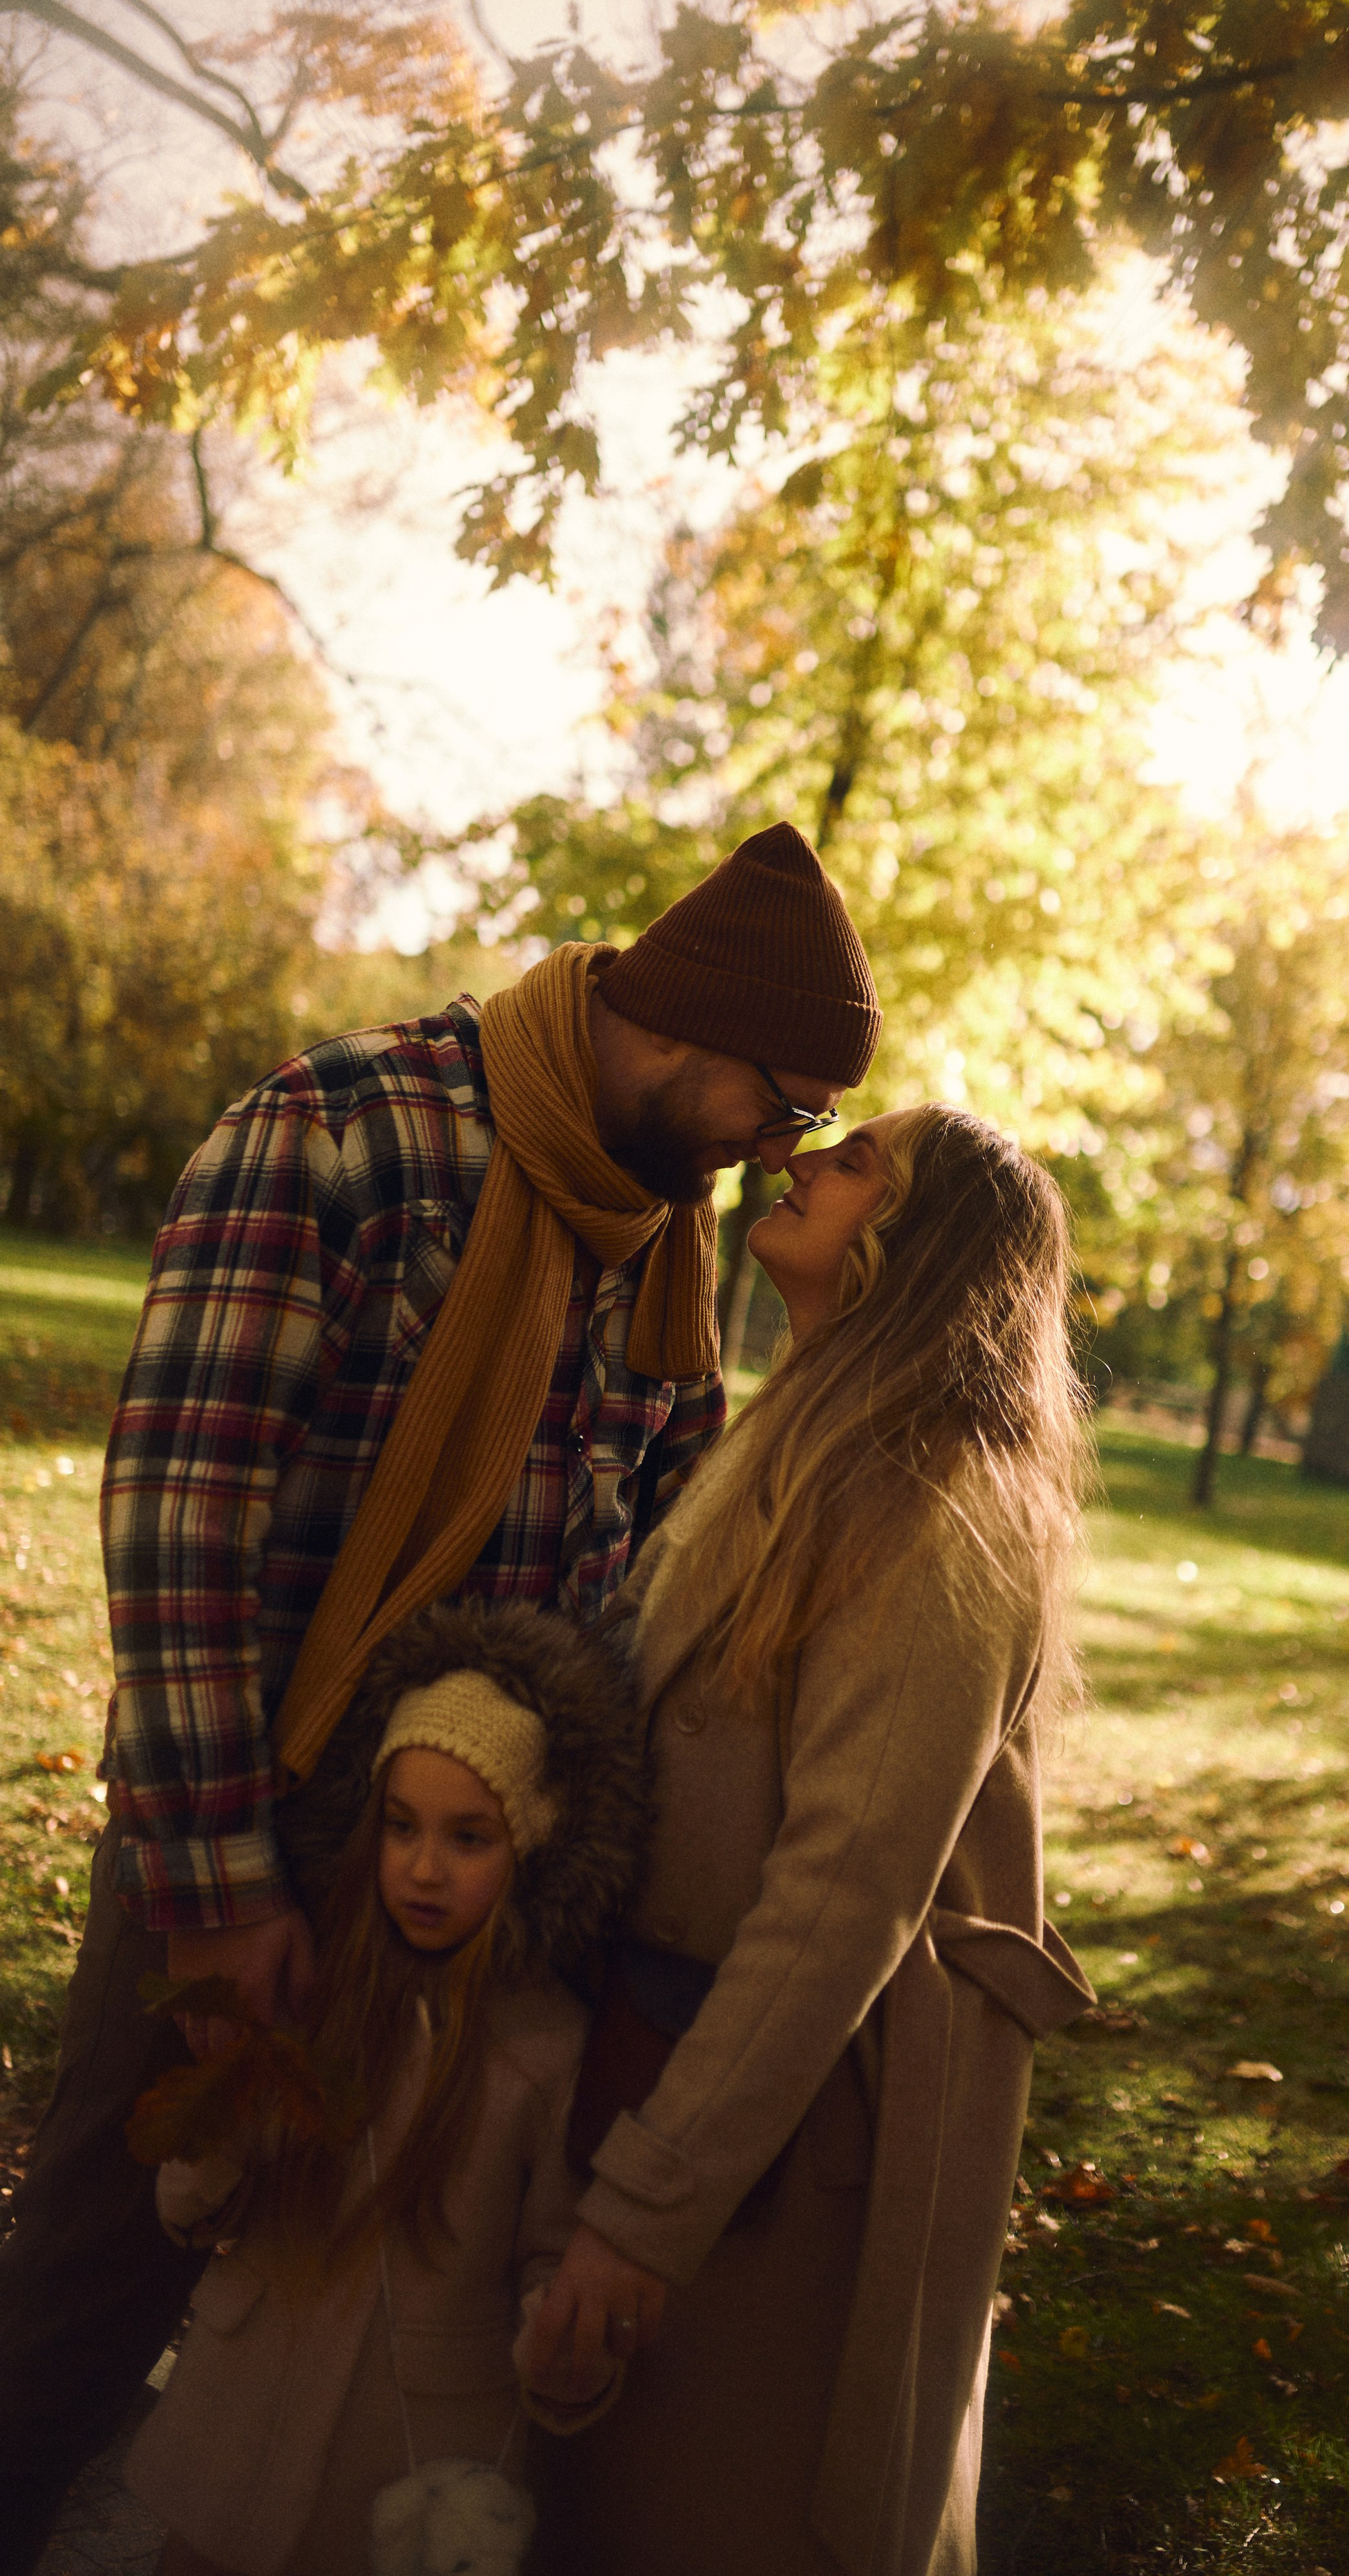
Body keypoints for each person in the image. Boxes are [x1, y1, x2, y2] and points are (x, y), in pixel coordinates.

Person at [0, 822, 880, 2574]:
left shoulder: (660, 1230)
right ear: (694, 1034)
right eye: (779, 1107)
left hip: (474, 1882)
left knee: (375, 2314)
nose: (777, 1150)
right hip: (251, 1832)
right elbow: (179, 1524)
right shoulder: (341, 1132)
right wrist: (221, 1888)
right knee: (106, 2270)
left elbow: (641, 1557)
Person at [520, 1103, 1097, 2576]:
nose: (797, 1164)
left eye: (853, 1166)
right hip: (659, 2052)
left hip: (801, 2140)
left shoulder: (944, 1511)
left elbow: (844, 1899)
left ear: (921, 1245)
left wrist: (647, 2211)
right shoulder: (797, 1428)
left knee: (730, 2517)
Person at [128, 1595, 645, 2576]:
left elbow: (552, 2257)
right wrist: (214, 2143)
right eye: (402, 1827)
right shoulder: (322, 1996)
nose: (421, 1868)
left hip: (404, 2460)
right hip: (242, 2428)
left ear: (530, 1847)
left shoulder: (548, 2051)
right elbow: (207, 2206)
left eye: (468, 1839)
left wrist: (564, 2346)